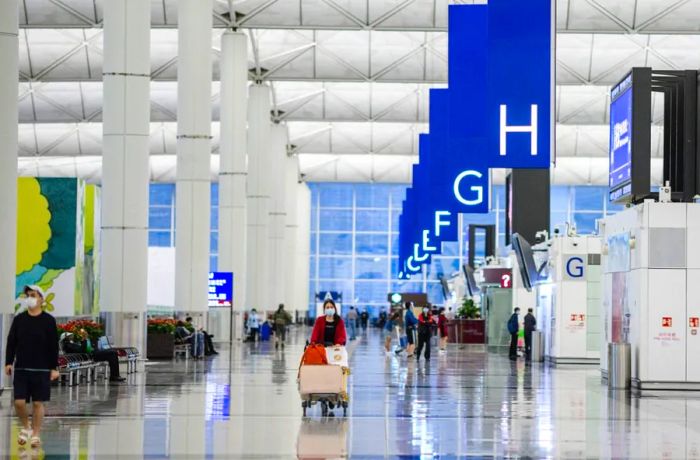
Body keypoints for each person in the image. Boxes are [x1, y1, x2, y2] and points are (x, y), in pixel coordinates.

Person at [4, 285, 60, 448]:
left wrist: (54, 367)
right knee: (19, 402)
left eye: (33, 295)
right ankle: (26, 428)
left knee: (37, 403)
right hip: (22, 367)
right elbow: (11, 341)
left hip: (42, 369)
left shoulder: (48, 320)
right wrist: (8, 362)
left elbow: (53, 346)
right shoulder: (19, 319)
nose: (30, 298)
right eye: (28, 295)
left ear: (41, 299)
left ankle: (35, 433)